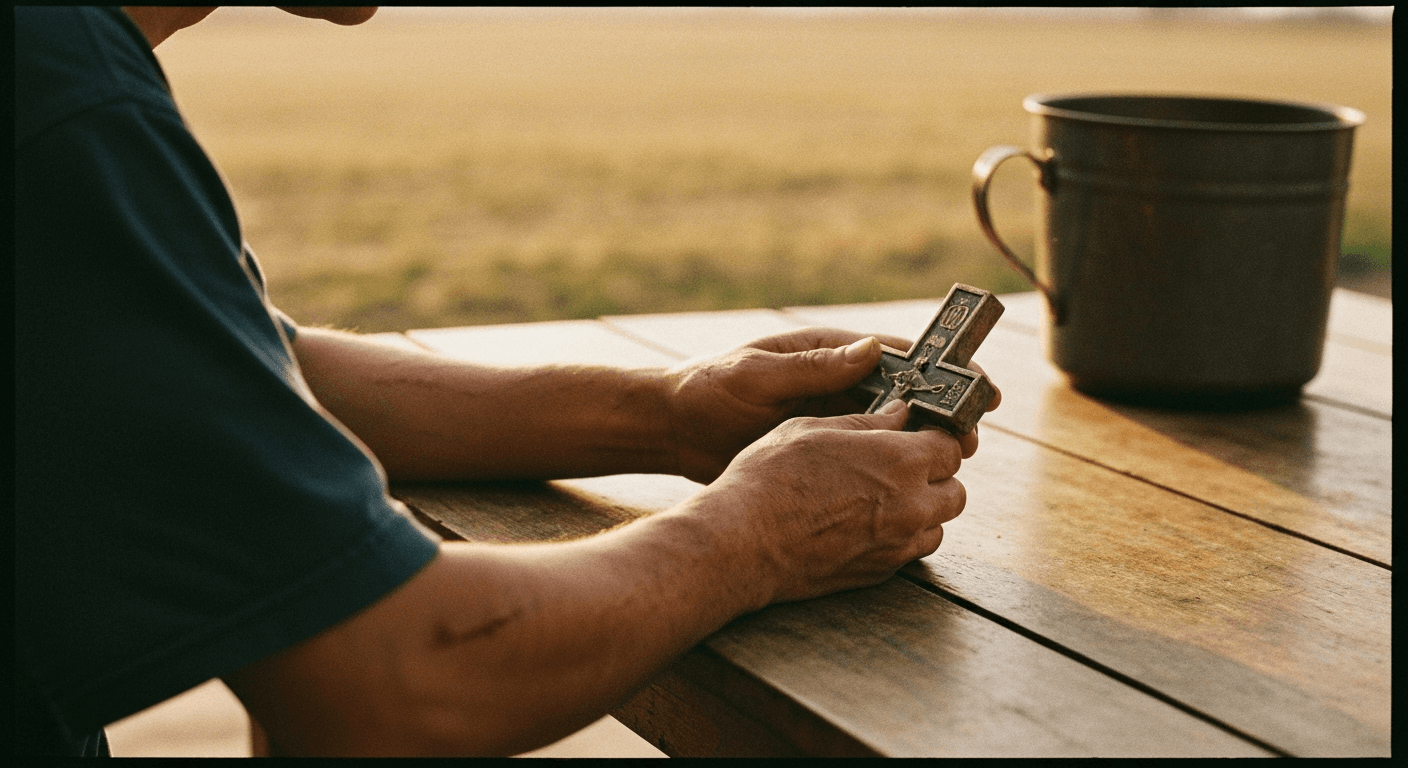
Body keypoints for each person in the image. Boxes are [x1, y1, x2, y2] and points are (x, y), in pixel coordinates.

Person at [15, 6, 999, 756]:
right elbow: (395, 680)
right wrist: (750, 541)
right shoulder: (54, 91)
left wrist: (670, 415)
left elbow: (229, 362)